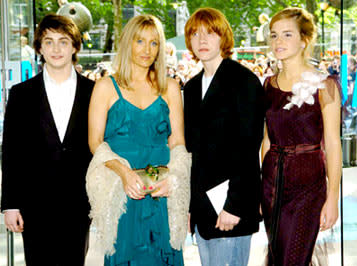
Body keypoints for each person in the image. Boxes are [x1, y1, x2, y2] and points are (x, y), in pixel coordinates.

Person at [87, 14, 190, 266]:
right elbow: (95, 142)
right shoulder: (105, 87)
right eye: (140, 41)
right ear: (127, 43)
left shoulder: (171, 88)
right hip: (123, 195)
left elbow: (178, 143)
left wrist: (173, 180)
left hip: (161, 194)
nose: (147, 50)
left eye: (154, 43)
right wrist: (123, 173)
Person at [1, 14, 94, 266]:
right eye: (49, 41)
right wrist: (10, 205)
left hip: (80, 204)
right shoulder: (21, 95)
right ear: (39, 47)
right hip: (35, 205)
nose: (56, 49)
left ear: (75, 46)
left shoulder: (94, 92)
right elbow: (10, 152)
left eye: (63, 41)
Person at [183, 7, 264, 266]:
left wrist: (234, 205)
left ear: (223, 37)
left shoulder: (244, 81)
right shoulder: (193, 86)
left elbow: (249, 149)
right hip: (202, 209)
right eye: (195, 34)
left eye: (210, 33)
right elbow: (191, 150)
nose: (202, 40)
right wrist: (188, 208)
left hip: (230, 209)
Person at [261, 7, 342, 265]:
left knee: (292, 259)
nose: (278, 42)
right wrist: (260, 188)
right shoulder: (267, 85)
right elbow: (266, 142)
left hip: (309, 186)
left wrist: (332, 199)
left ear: (304, 39)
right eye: (273, 35)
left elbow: (332, 144)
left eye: (286, 34)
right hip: (272, 185)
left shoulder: (324, 85)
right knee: (278, 258)